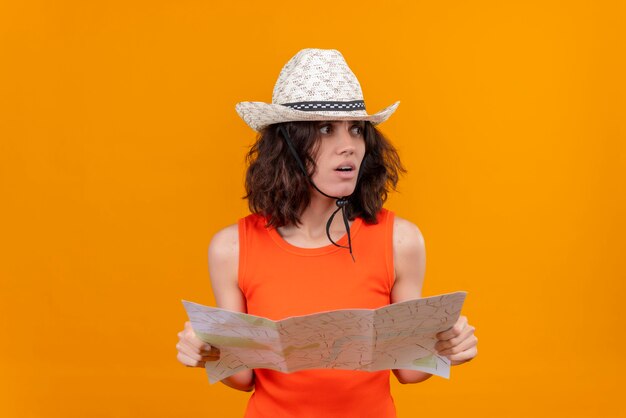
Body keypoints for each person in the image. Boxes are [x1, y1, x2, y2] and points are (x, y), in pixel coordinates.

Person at [176, 48, 478, 417]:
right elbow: (243, 378)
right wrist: (208, 350)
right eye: (324, 128)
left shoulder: (400, 240)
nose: (349, 144)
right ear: (287, 145)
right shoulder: (231, 248)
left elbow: (409, 370)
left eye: (356, 129)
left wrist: (448, 344)